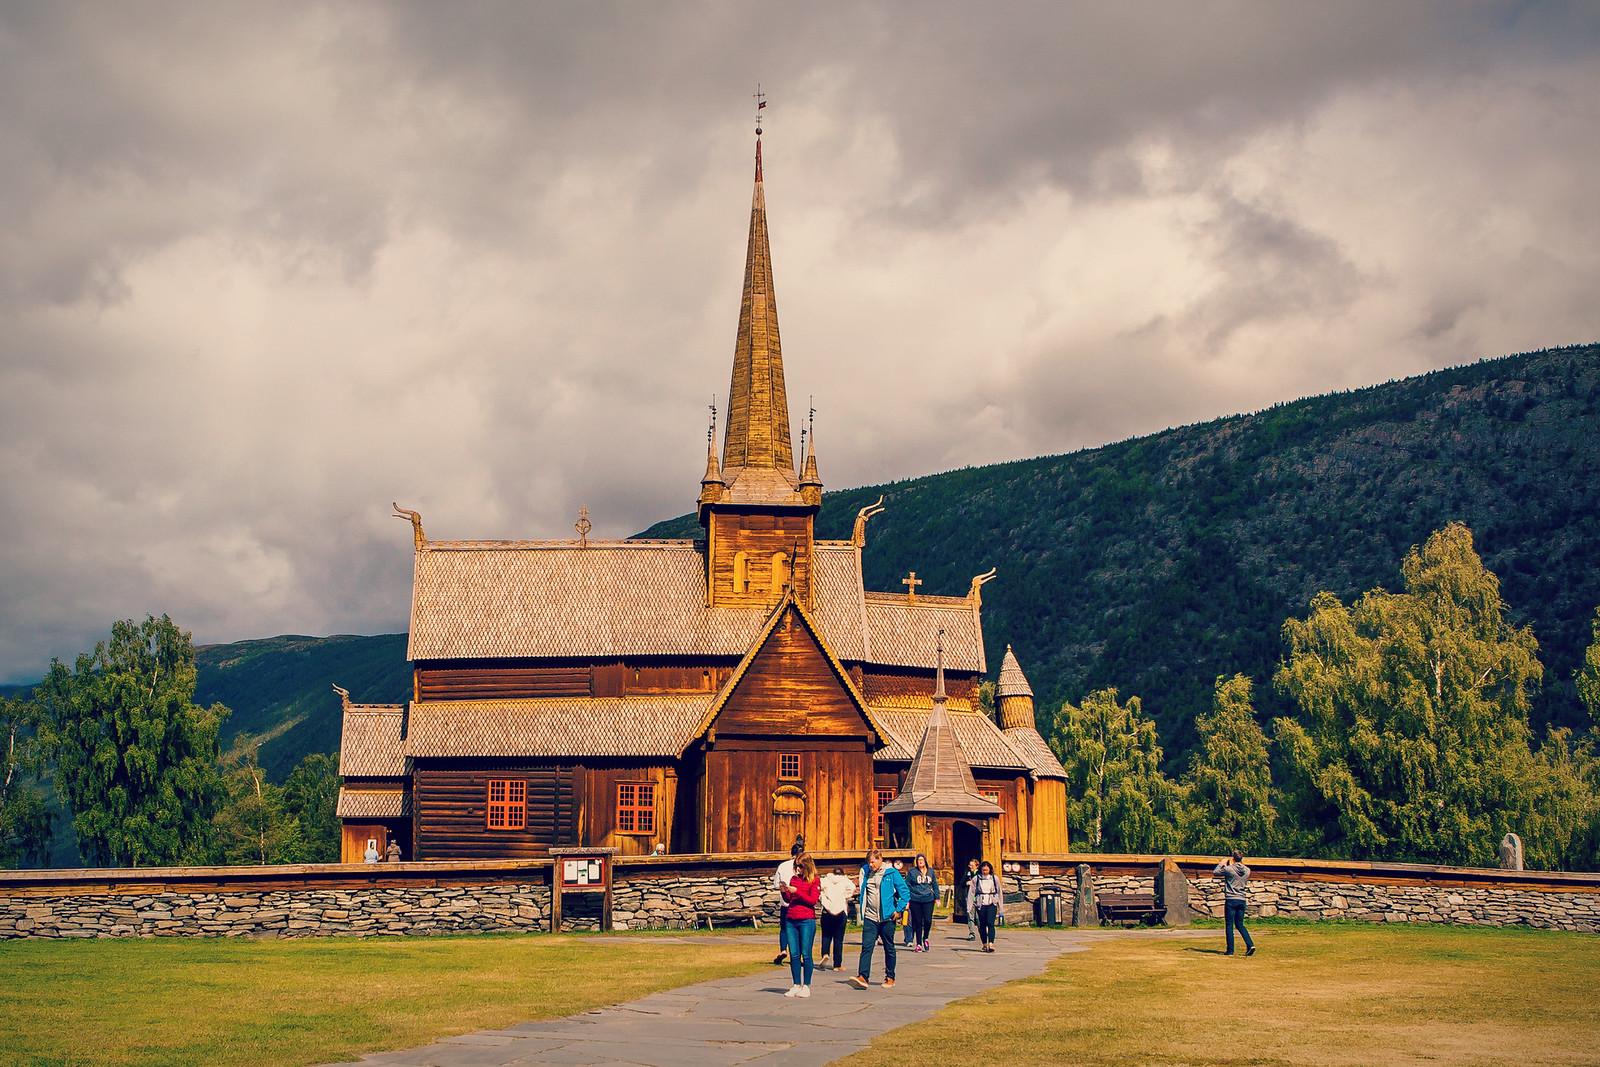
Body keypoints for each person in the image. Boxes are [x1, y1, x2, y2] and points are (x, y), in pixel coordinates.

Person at [849, 849, 909, 989]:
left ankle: (890, 976)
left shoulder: (891, 873)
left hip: (887, 917)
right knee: (867, 946)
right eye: (869, 862)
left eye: (873, 862)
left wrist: (899, 910)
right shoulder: (865, 872)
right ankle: (863, 976)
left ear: (880, 859)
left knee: (889, 947)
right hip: (871, 917)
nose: (871, 865)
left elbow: (905, 892)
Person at [782, 853, 822, 998]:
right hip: (791, 918)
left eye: (801, 867)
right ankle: (796, 984)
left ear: (807, 867)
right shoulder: (794, 879)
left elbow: (812, 900)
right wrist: (785, 892)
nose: (798, 869)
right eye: (796, 866)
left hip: (806, 919)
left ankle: (807, 985)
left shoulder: (815, 881)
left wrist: (797, 892)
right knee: (793, 954)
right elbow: (789, 899)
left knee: (806, 954)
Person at [1214, 849, 1255, 956]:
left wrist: (1221, 864)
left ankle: (1230, 950)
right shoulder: (1247, 870)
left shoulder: (1229, 869)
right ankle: (1250, 944)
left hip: (1231, 899)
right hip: (1242, 899)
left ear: (1233, 858)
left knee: (1229, 925)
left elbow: (1216, 872)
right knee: (1240, 924)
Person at [772, 837, 804, 965]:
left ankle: (783, 949)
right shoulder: (802, 867)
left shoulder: (782, 866)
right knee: (800, 930)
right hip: (799, 902)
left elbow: (775, 884)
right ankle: (798, 956)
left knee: (784, 928)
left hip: (786, 902)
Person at [818, 866, 856, 971]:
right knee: (838, 939)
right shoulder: (845, 880)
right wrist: (845, 897)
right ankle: (837, 964)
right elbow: (852, 888)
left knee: (826, 936)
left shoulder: (825, 880)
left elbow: (817, 888)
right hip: (840, 911)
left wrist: (823, 898)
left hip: (826, 911)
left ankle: (825, 954)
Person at [906, 853, 939, 952]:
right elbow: (907, 885)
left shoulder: (931, 872)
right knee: (918, 921)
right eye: (918, 860)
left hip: (928, 899)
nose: (920, 861)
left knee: (928, 920)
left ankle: (926, 938)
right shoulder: (912, 872)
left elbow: (935, 885)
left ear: (925, 861)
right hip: (915, 899)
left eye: (922, 860)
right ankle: (919, 943)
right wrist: (907, 900)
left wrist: (937, 898)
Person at [971, 860, 1003, 952]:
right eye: (983, 870)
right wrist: (969, 907)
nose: (985, 872)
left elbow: (999, 892)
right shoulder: (976, 879)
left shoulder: (994, 878)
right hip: (981, 903)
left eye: (986, 870)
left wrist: (1000, 908)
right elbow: (971, 893)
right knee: (982, 924)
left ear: (990, 870)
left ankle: (991, 943)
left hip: (991, 902)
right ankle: (984, 943)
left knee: (990, 923)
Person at [962, 857, 980, 940]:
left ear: (977, 866)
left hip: (978, 898)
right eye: (970, 865)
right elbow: (962, 883)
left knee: (978, 917)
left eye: (972, 865)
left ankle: (982, 932)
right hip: (970, 898)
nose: (971, 867)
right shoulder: (968, 874)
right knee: (970, 916)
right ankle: (972, 933)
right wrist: (966, 883)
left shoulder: (979, 874)